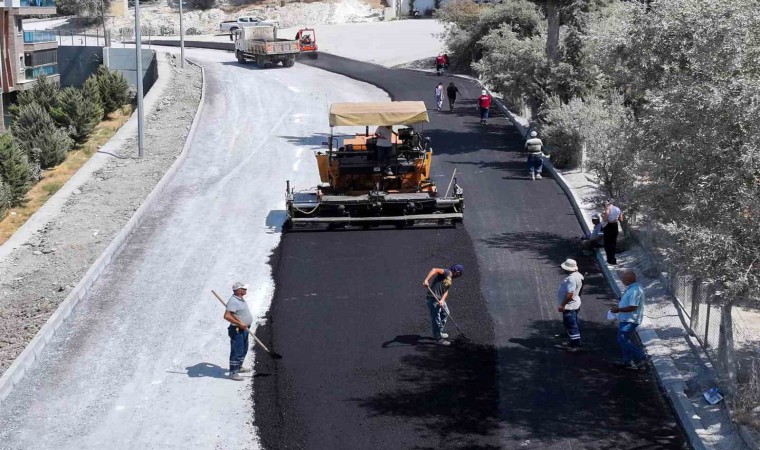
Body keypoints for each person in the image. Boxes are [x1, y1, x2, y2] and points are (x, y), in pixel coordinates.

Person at [610, 271, 647, 370]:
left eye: (623, 279)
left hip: (630, 319)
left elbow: (633, 307)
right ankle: (628, 361)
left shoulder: (635, 290)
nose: (622, 280)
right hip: (626, 318)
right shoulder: (632, 288)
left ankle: (642, 356)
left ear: (629, 279)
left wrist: (618, 309)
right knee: (624, 339)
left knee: (622, 338)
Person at [422, 264, 464, 346]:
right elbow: (435, 269)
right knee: (436, 318)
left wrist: (442, 300)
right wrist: (427, 280)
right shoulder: (447, 272)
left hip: (440, 300)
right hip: (433, 299)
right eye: (459, 274)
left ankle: (439, 332)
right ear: (457, 271)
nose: (459, 276)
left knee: (446, 313)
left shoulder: (450, 278)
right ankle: (438, 338)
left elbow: (446, 291)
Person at [224, 282, 254, 381]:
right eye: (244, 288)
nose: (246, 290)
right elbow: (227, 316)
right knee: (237, 350)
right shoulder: (233, 301)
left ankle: (239, 367)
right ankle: (233, 373)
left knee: (244, 349)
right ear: (238, 290)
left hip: (244, 329)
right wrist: (239, 323)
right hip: (237, 330)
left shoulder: (240, 299)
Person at [557, 259, 584, 351]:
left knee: (571, 324)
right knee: (570, 323)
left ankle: (576, 346)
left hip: (570, 305)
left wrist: (562, 305)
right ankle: (572, 341)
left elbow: (570, 294)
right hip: (574, 303)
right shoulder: (578, 275)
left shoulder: (571, 278)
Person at [602, 201, 623, 265]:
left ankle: (609, 259)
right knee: (613, 243)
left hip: (608, 226)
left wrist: (603, 215)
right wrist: (615, 219)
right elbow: (621, 219)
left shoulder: (608, 209)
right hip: (615, 226)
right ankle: (613, 259)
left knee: (607, 243)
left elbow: (605, 219)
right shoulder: (617, 209)